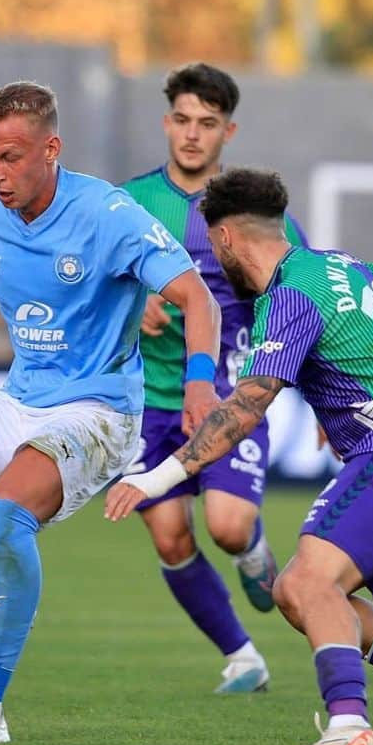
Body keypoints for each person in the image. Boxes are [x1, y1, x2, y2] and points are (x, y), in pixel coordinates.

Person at [106, 168, 373, 745]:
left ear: (229, 238)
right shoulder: (340, 266)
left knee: (308, 583)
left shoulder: (288, 294)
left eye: (214, 246)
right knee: (304, 593)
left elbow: (244, 406)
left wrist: (155, 478)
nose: (216, 257)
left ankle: (349, 725)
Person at [0, 81, 219, 745]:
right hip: (22, 398)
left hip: (98, 412)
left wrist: (199, 383)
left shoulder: (109, 214)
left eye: (12, 158)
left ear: (51, 148)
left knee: (10, 515)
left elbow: (196, 296)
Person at [122, 63, 308, 693]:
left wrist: (333, 407)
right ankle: (243, 659)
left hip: (230, 400)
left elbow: (305, 302)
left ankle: (253, 549)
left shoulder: (254, 212)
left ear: (229, 131)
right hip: (147, 406)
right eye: (182, 120)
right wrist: (131, 302)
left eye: (207, 124)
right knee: (171, 538)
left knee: (227, 527)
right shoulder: (129, 204)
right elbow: (89, 284)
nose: (192, 135)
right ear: (166, 123)